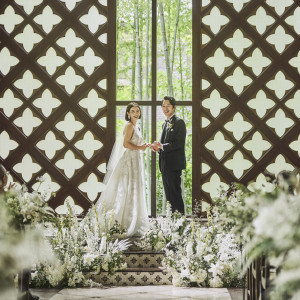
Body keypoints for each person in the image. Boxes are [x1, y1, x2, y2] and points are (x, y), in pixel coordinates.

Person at [96, 102, 149, 237]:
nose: (136, 113)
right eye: (133, 111)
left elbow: (135, 143)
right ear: (128, 114)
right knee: (126, 189)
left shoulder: (136, 126)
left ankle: (134, 220)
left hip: (135, 159)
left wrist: (146, 145)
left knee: (134, 188)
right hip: (129, 160)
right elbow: (125, 144)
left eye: (137, 111)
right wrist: (140, 148)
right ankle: (121, 222)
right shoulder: (129, 125)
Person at [152, 96, 186, 214]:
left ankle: (180, 222)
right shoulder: (165, 124)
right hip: (165, 165)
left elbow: (179, 144)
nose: (165, 108)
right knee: (169, 196)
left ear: (174, 107)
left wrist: (162, 146)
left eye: (168, 106)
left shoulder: (179, 122)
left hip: (174, 165)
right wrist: (158, 148)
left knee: (175, 194)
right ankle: (172, 222)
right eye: (163, 106)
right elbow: (165, 145)